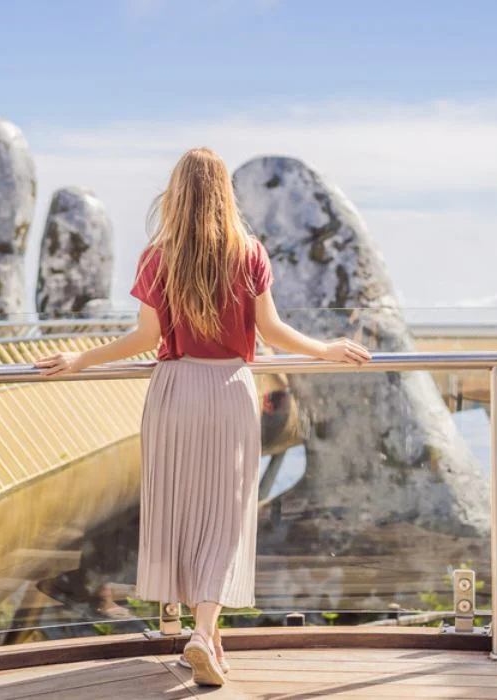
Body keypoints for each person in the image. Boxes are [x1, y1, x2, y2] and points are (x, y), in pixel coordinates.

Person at [34, 147, 370, 687]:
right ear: (224, 195)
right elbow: (272, 333)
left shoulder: (157, 256)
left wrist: (80, 358)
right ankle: (204, 631)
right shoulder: (249, 252)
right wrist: (326, 349)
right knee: (227, 516)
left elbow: (144, 339)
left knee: (181, 511)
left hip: (173, 392)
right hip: (230, 389)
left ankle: (204, 635)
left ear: (177, 194)